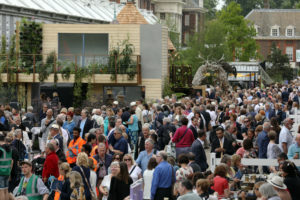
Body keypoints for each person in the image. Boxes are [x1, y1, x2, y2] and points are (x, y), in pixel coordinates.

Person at [0, 134, 12, 200]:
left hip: (1, 172)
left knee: (1, 190)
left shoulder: (0, 149)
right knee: (6, 190)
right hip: (7, 172)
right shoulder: (9, 149)